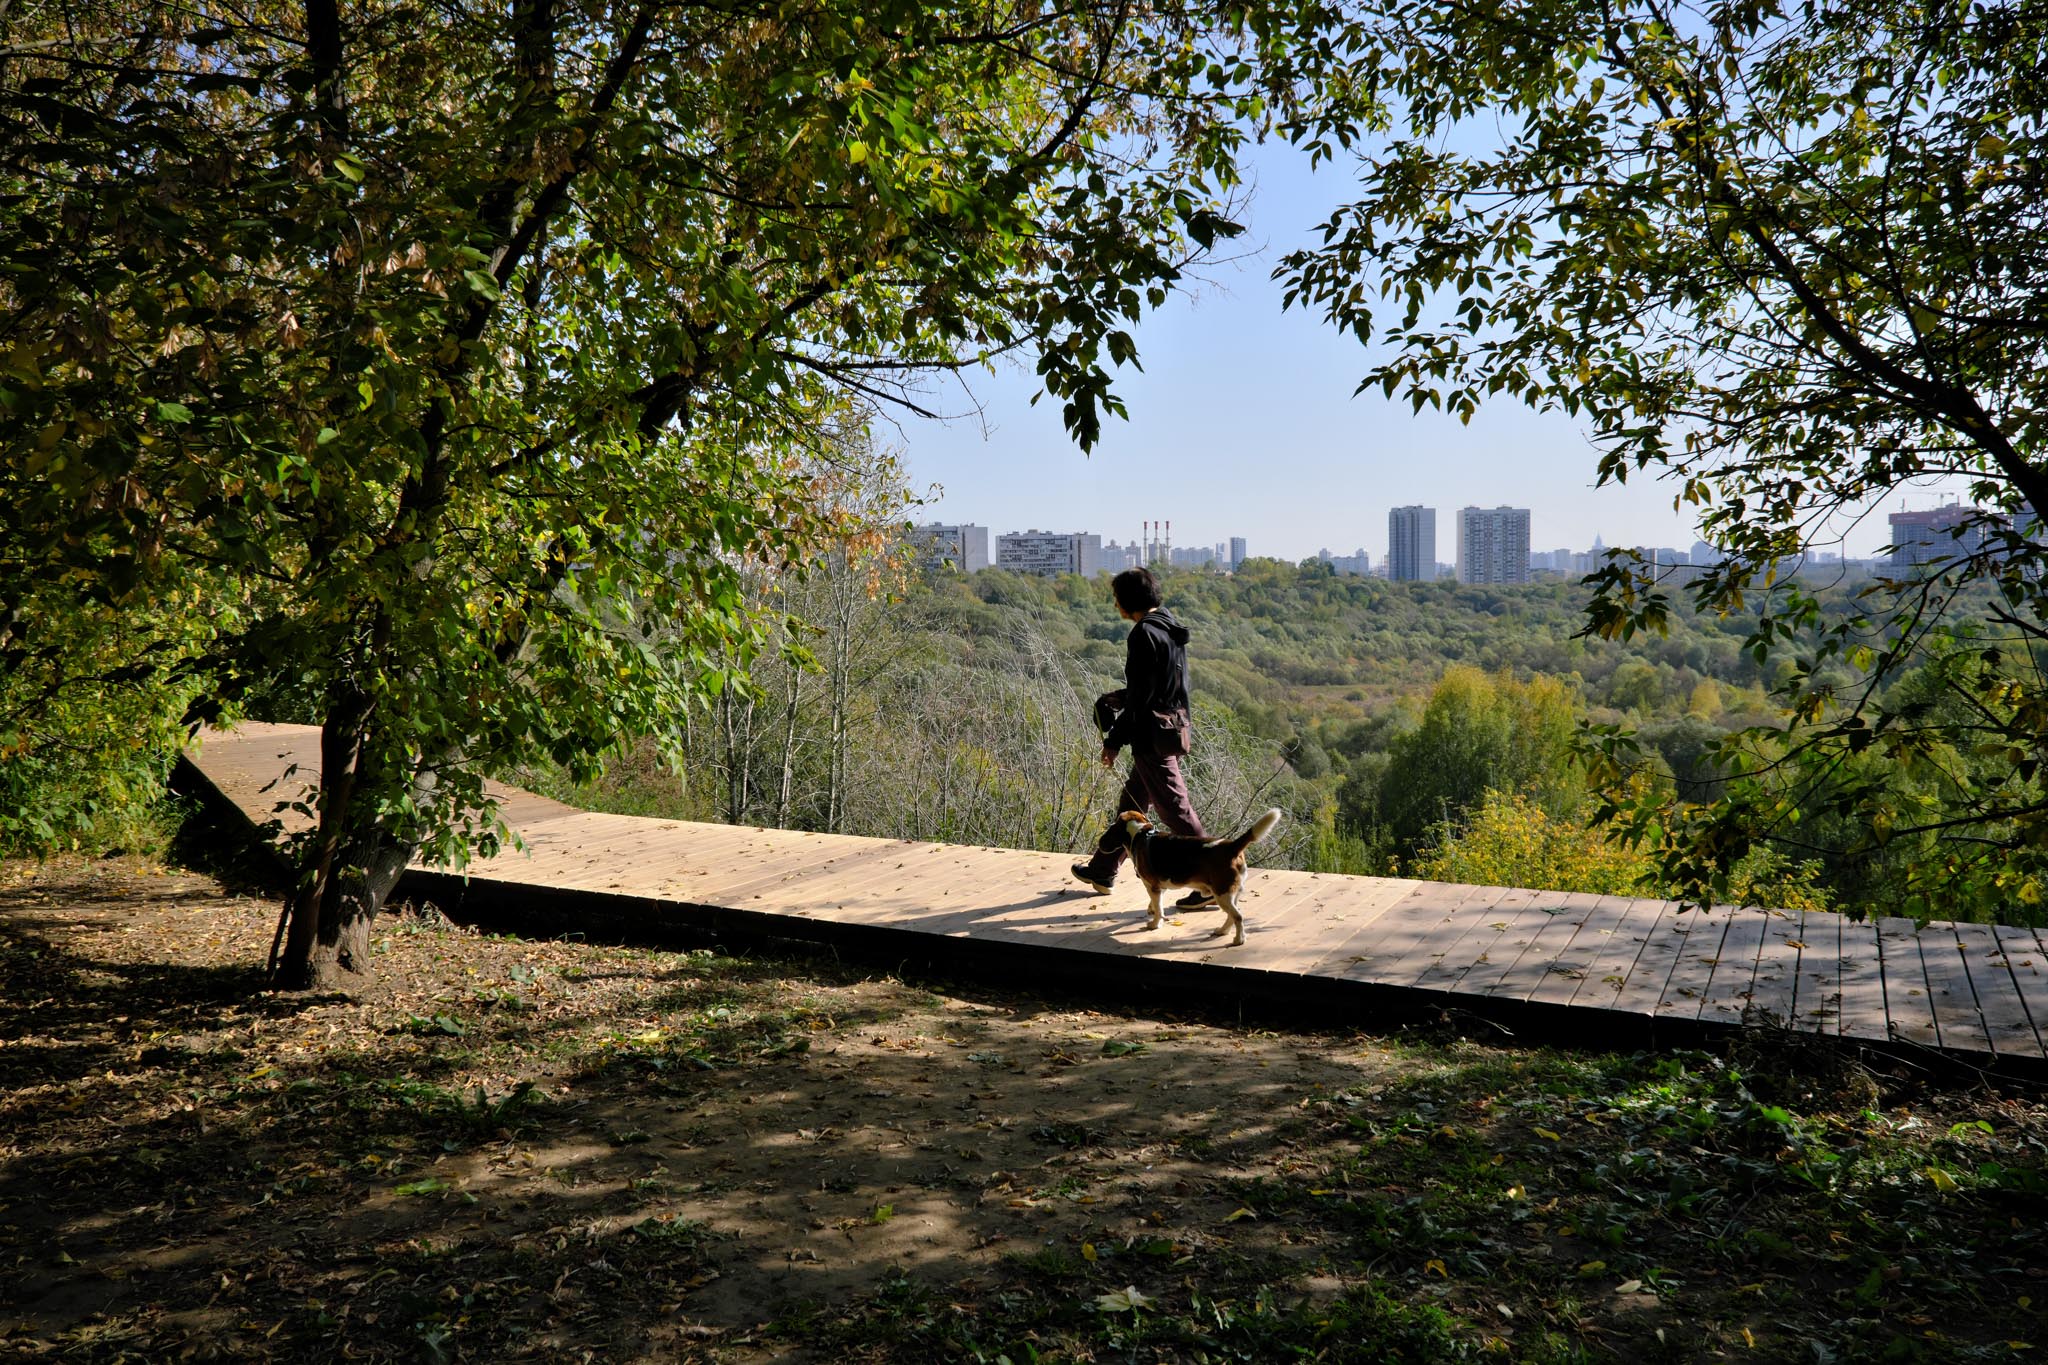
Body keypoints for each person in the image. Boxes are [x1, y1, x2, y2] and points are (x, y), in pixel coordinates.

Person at [1071, 567, 1212, 906]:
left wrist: (1113, 740)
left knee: (1176, 811)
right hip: (1172, 728)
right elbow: (1161, 689)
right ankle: (1104, 869)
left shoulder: (1143, 633)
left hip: (1151, 737)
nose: (1115, 603)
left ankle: (1211, 878)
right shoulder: (1168, 626)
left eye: (1116, 597)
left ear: (1127, 599)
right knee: (1131, 806)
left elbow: (1140, 701)